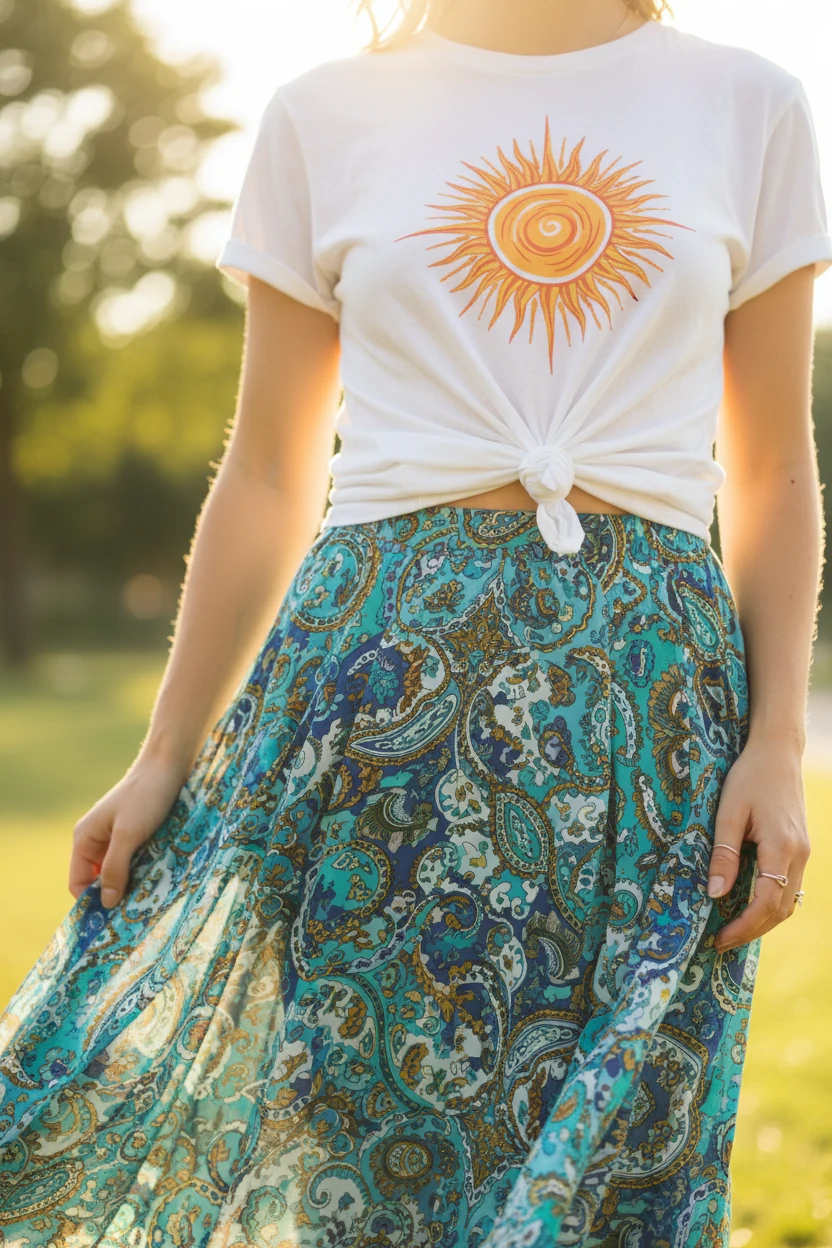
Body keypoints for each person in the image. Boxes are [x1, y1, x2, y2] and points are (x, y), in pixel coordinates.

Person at [1, 0, 830, 1243]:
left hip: (649, 724)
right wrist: (166, 752)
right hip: (375, 708)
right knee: (372, 1167)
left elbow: (769, 467)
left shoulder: (749, 104)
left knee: (616, 1175)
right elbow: (270, 470)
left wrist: (777, 741)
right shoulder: (323, 114)